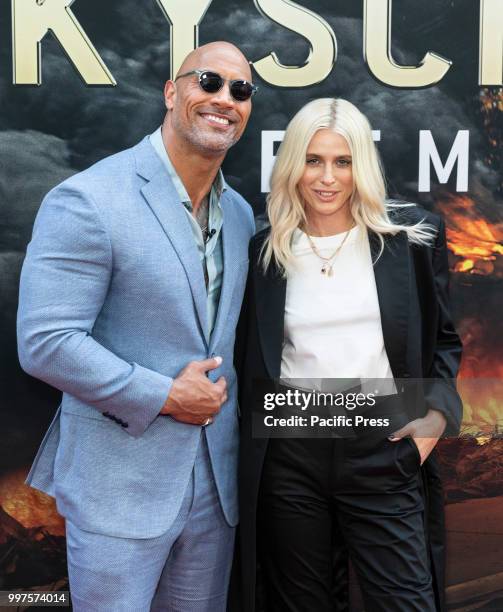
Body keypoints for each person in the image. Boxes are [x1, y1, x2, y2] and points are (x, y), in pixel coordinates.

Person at [17, 41, 256, 611]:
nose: (225, 99)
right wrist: (166, 394)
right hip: (118, 492)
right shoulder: (88, 199)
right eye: (209, 82)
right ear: (172, 92)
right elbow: (46, 342)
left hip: (216, 493)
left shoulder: (243, 215)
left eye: (240, 90)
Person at [235, 98, 463, 612]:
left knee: (406, 601)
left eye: (343, 161)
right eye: (313, 160)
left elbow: (444, 340)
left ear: (363, 164)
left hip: (384, 443)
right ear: (292, 162)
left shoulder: (412, 236)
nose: (327, 178)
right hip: (289, 450)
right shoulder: (261, 243)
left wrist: (434, 420)